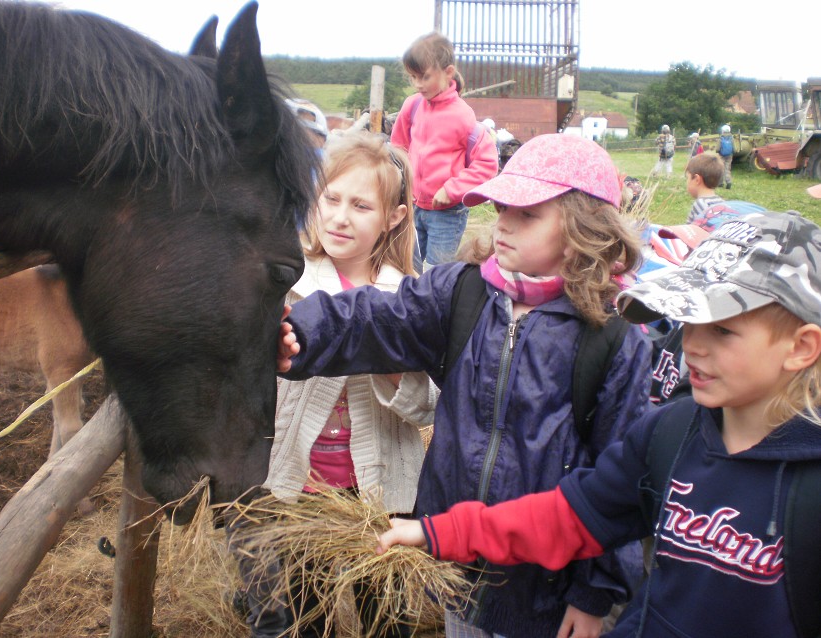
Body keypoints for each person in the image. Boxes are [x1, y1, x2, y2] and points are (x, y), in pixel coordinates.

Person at [376, 208, 821, 638]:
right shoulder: (671, 433)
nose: (693, 346)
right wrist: (440, 531)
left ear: (802, 347)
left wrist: (592, 594)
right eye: (689, 320)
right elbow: (568, 516)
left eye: (722, 330)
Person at [278, 134, 653, 638]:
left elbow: (621, 478)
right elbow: (374, 318)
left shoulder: (614, 340)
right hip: (455, 565)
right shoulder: (464, 292)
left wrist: (593, 594)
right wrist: (299, 333)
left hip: (545, 591)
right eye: (501, 208)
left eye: (527, 214)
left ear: (585, 228)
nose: (503, 224)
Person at [237, 132, 438, 638]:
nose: (339, 217)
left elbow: (432, 403)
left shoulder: (412, 295)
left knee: (387, 617)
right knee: (312, 609)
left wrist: (387, 362)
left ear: (393, 216)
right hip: (305, 489)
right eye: (331, 198)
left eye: (361, 205)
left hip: (381, 492)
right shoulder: (285, 285)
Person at [390, 32, 498, 273]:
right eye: (413, 78)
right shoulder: (413, 105)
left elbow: (487, 165)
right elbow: (399, 147)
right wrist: (400, 183)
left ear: (448, 72)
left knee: (436, 272)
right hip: (413, 205)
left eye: (425, 77)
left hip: (447, 213)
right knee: (409, 268)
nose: (418, 84)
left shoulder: (463, 117)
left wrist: (452, 189)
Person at [684, 153, 725, 224]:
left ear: (697, 179)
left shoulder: (700, 205)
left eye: (687, 178)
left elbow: (693, 231)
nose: (686, 182)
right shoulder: (723, 202)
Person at [716, 124, 734, 189]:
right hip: (729, 155)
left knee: (721, 168)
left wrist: (718, 152)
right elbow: (734, 148)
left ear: (722, 130)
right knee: (727, 169)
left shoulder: (721, 138)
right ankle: (728, 181)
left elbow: (717, 149)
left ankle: (720, 183)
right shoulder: (731, 138)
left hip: (721, 155)